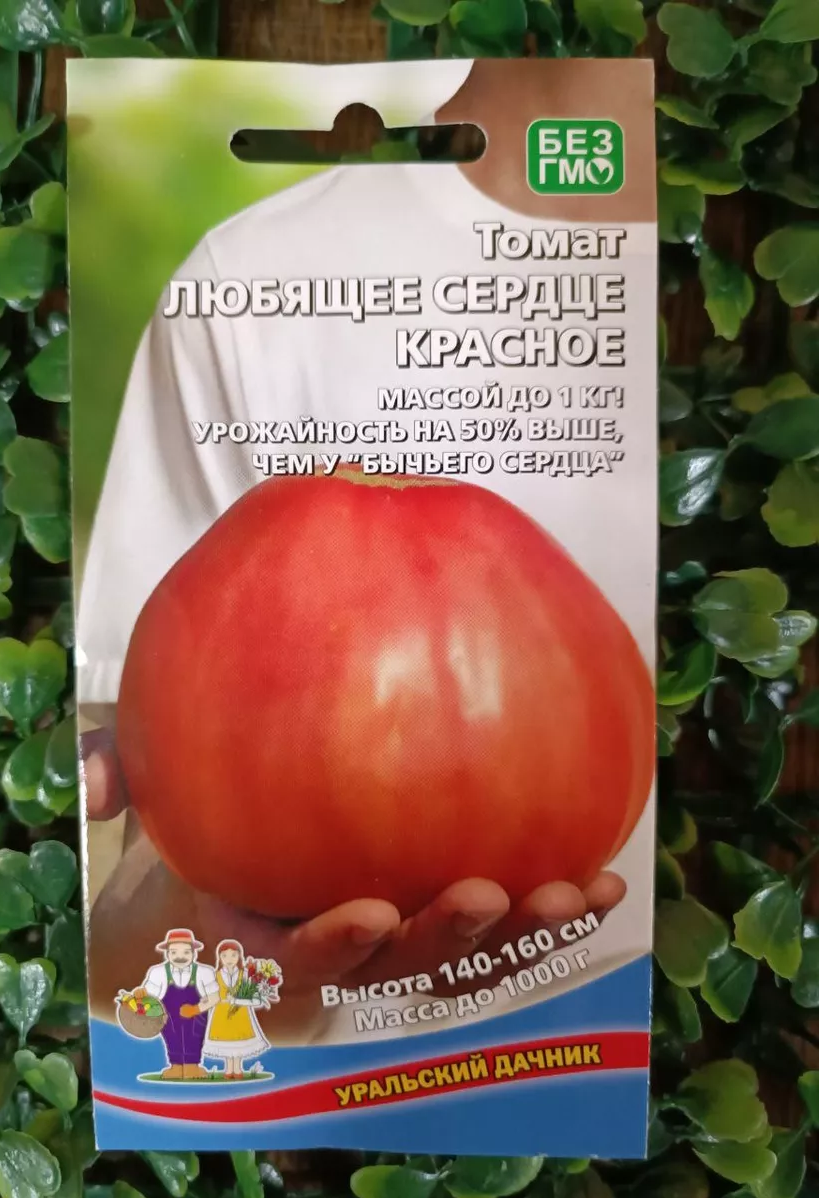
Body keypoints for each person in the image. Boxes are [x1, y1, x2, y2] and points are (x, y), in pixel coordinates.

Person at [80, 57, 655, 1040]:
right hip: (329, 1094)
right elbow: (137, 910)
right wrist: (201, 952)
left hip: (637, 1049)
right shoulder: (256, 277)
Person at [132, 928, 217, 1080]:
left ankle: (192, 1066)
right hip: (168, 1015)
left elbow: (215, 996)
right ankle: (176, 1066)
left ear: (194, 953)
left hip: (196, 1016)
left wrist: (196, 1009)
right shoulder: (157, 972)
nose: (180, 957)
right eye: (174, 952)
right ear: (167, 953)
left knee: (194, 1036)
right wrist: (141, 994)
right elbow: (150, 994)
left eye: (186, 952)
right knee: (171, 1036)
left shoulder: (204, 972)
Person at [182, 940, 270, 1079]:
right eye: (225, 956)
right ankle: (229, 1069)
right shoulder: (215, 976)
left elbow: (255, 998)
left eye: (233, 955)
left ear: (239, 957)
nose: (229, 959)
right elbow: (211, 993)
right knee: (226, 1040)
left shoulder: (245, 975)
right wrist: (205, 999)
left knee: (239, 1039)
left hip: (241, 1013)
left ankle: (238, 1068)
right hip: (221, 1013)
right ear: (220, 957)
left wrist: (237, 1000)